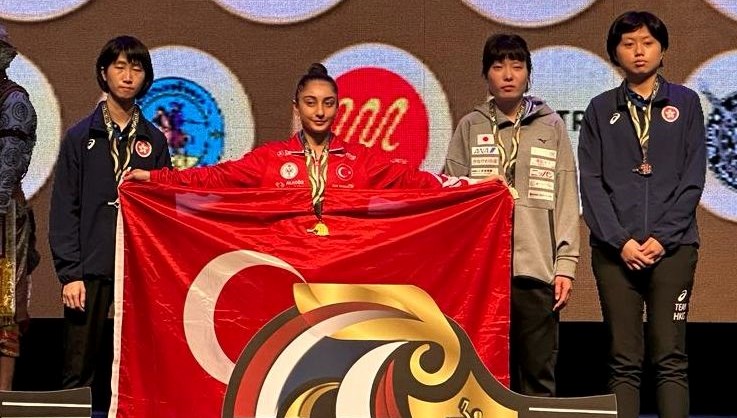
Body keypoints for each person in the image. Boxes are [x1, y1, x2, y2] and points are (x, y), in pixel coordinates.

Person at [126, 63, 484, 233]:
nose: (320, 111)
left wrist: (475, 187)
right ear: (296, 108)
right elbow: (216, 177)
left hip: (344, 275)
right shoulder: (271, 158)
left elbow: (417, 182)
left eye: (328, 103)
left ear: (338, 108)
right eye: (311, 103)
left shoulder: (360, 159)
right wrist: (155, 178)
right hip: (285, 273)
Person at [578, 11, 705, 418]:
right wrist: (621, 241)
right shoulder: (600, 109)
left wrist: (662, 238)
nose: (638, 51)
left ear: (662, 50)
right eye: (629, 43)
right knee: (623, 360)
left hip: (674, 249)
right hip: (615, 253)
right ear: (614, 52)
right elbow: (591, 183)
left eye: (648, 43)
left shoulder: (686, 103)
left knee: (671, 358)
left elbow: (693, 179)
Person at [443, 34, 579, 396]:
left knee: (537, 376)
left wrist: (565, 264)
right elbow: (449, 193)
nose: (507, 75)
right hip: (482, 273)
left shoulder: (551, 125)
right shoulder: (470, 126)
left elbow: (566, 196)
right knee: (483, 378)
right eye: (498, 66)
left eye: (517, 66)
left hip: (536, 269)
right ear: (485, 74)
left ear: (528, 74)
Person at [49, 36, 171, 405]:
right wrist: (70, 274)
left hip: (137, 272)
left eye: (136, 68)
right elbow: (64, 209)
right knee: (78, 367)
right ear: (104, 73)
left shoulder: (154, 141)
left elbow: (166, 209)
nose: (128, 75)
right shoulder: (80, 137)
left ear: (146, 77)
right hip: (89, 269)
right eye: (119, 66)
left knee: (138, 364)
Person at [0, 24, 38, 391]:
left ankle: (2, 397)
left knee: (4, 306)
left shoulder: (14, 102)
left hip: (3, 224)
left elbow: (8, 168)